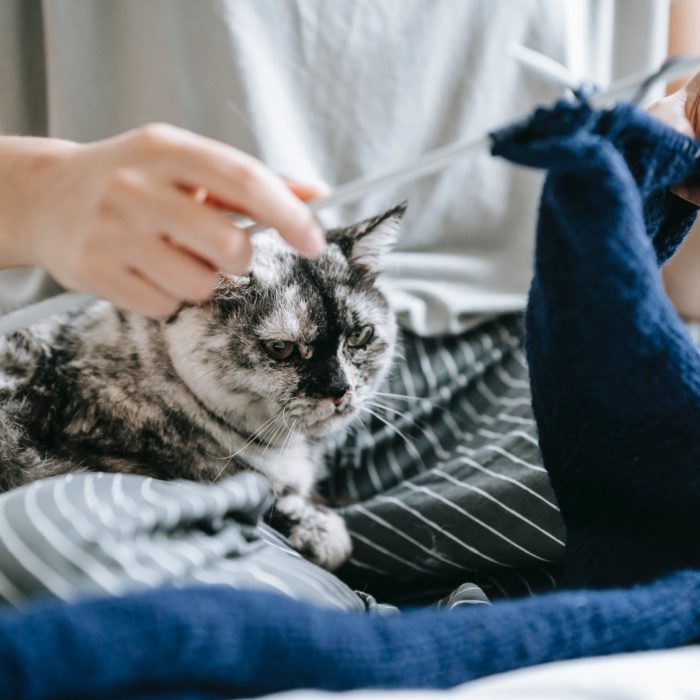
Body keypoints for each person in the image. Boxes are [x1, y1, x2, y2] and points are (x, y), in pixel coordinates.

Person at [0, 0, 698, 608]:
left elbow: (685, 287)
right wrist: (37, 193)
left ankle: (314, 612)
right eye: (284, 350)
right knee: (35, 545)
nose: (335, 390)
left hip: (511, 357)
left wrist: (670, 173)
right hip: (147, 377)